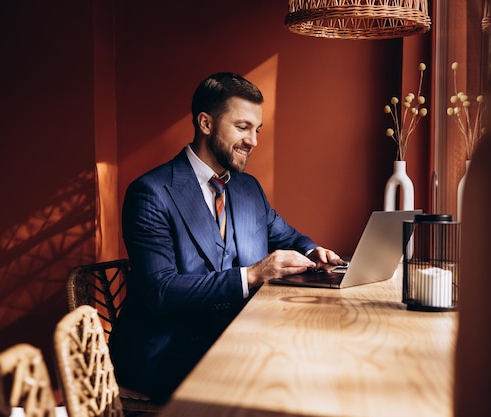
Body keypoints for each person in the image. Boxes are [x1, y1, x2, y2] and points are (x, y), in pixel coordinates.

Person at [109, 72, 345, 402]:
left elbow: (288, 237)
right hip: (164, 352)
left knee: (312, 358)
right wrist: (252, 274)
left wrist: (313, 250)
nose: (254, 141)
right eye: (242, 127)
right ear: (205, 123)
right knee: (285, 380)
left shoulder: (248, 188)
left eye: (257, 130)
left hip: (233, 339)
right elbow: (159, 291)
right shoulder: (150, 193)